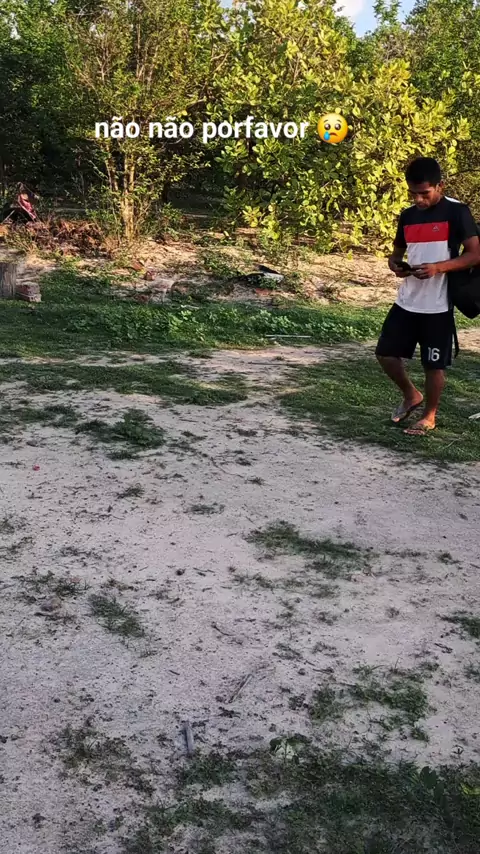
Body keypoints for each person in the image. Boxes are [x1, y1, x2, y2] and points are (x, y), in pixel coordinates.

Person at [375, 156, 480, 435]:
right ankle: (411, 395)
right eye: (413, 194)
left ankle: (429, 417)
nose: (418, 200)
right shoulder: (407, 216)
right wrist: (396, 266)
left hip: (438, 304)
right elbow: (396, 254)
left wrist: (438, 268)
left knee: (433, 365)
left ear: (440, 186)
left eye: (425, 193)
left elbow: (475, 255)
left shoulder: (457, 212)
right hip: (407, 299)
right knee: (385, 354)